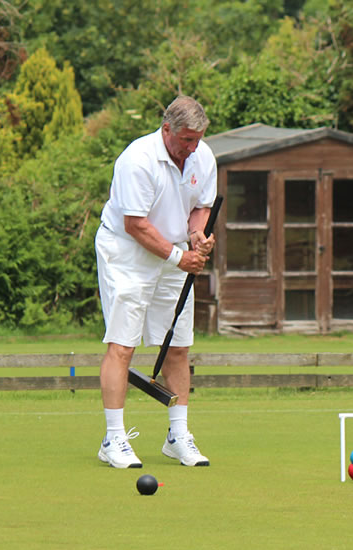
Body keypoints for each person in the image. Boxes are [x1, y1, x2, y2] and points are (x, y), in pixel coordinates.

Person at [94, 95, 217, 467]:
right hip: (127, 252)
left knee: (178, 345)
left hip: (173, 251)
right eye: (185, 139)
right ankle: (113, 439)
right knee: (123, 345)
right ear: (167, 129)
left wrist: (196, 235)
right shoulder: (137, 160)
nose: (192, 147)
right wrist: (182, 257)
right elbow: (136, 225)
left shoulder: (203, 156)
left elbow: (200, 206)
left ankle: (177, 435)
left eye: (197, 139)